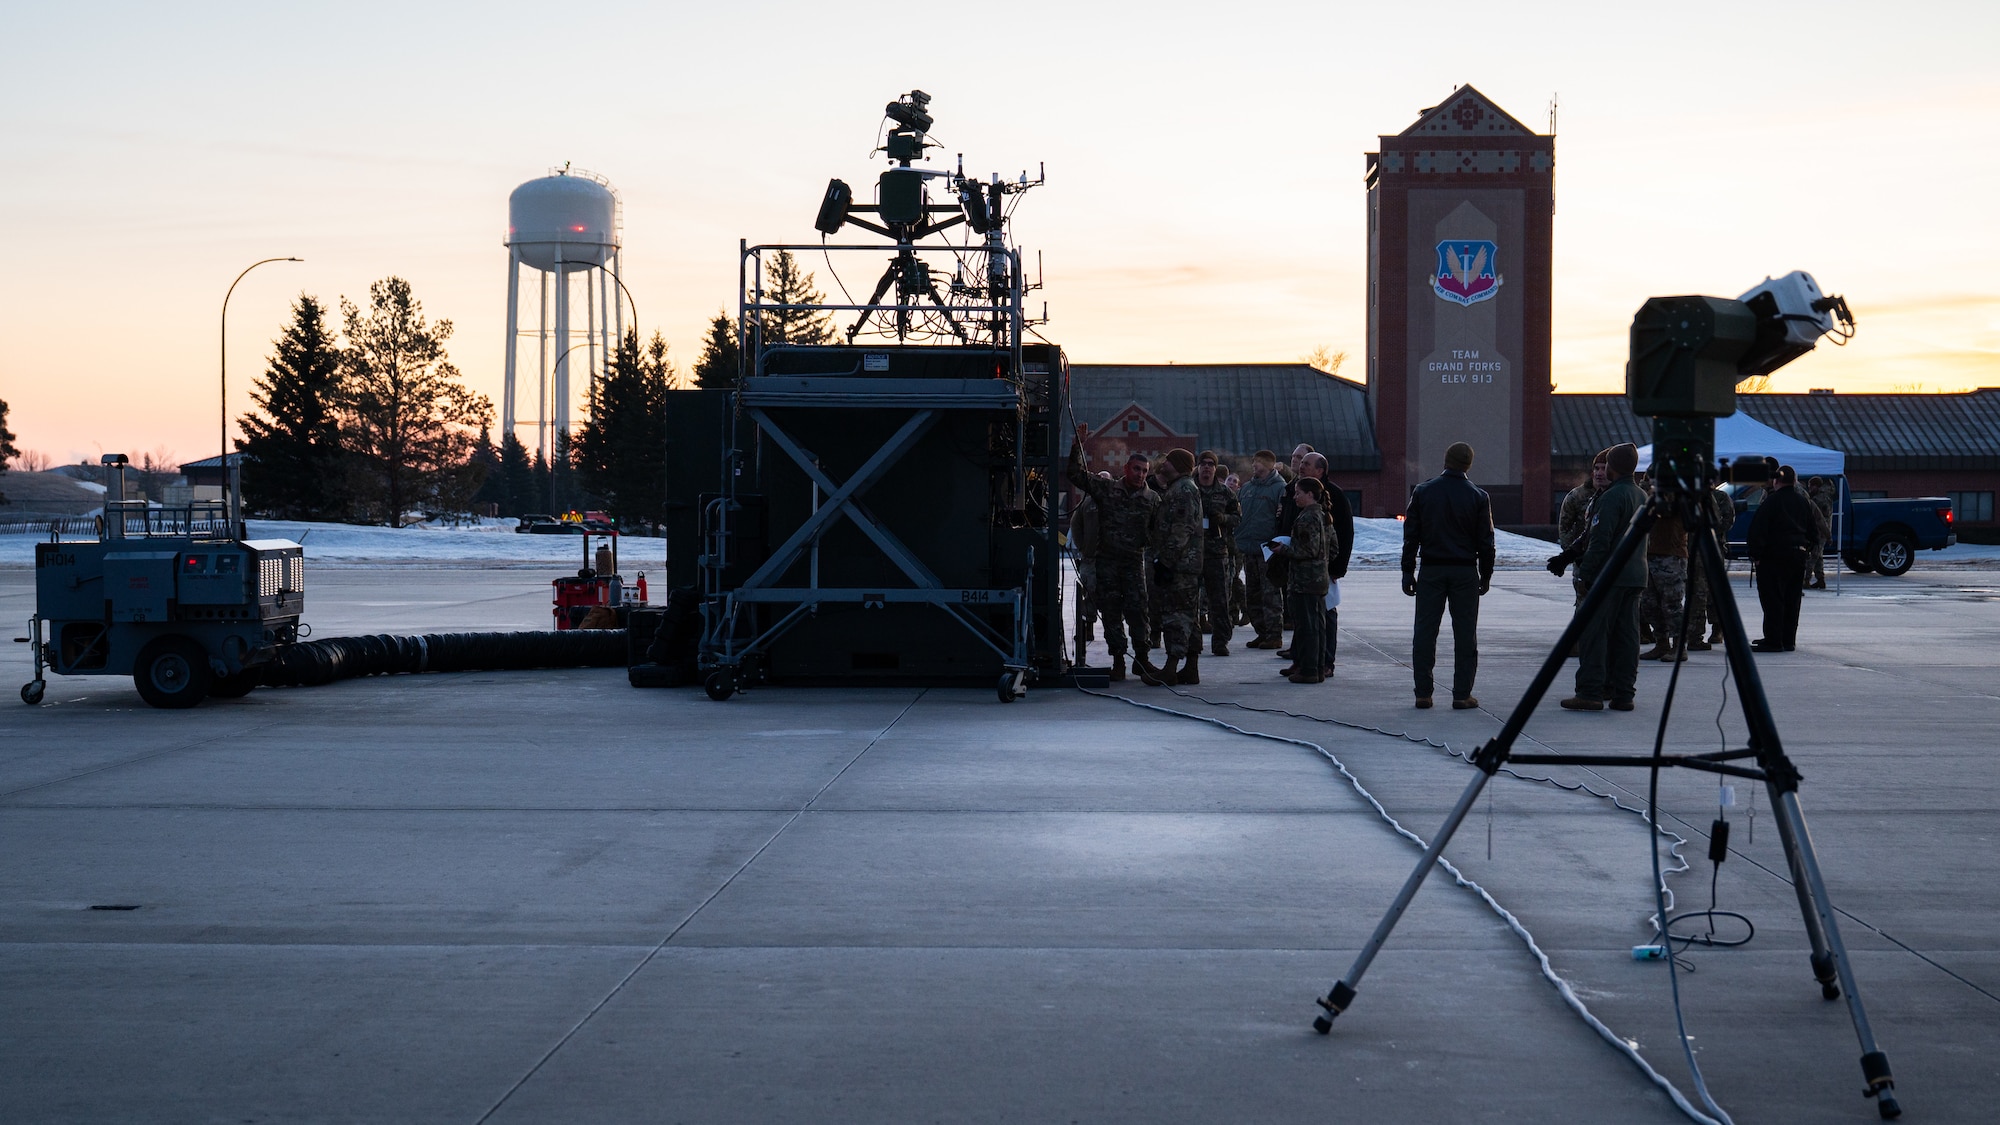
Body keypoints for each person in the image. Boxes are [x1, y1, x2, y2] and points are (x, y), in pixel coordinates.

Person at [1402, 442, 1495, 709]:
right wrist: (1485, 576)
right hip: (1465, 570)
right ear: (1469, 464)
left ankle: (1423, 692)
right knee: (1465, 634)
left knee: (1425, 632)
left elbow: (1411, 537)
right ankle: (1462, 693)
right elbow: (1486, 542)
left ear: (1446, 460)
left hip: (1431, 568)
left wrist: (1408, 571)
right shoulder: (1478, 496)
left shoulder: (1423, 491)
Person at [1066, 427, 1158, 681]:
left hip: (1133, 563)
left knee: (1139, 611)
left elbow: (1159, 531)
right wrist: (1078, 446)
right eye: (1136, 469)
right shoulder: (1107, 490)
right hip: (1107, 563)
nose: (1140, 475)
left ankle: (1142, 659)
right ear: (1126, 469)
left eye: (1144, 471)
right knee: (1111, 612)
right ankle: (1118, 659)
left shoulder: (1152, 500)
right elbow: (1074, 474)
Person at [1564, 443, 1648, 712]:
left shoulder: (1612, 497)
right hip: (1635, 575)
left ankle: (1590, 691)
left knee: (1594, 636)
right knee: (1627, 637)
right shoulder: (1641, 495)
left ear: (1613, 466)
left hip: (1609, 576)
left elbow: (1600, 541)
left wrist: (1585, 575)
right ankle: (1623, 693)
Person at [1144, 447, 1205, 685]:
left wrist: (1165, 561)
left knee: (1176, 617)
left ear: (1178, 465)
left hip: (1180, 566)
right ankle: (1190, 668)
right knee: (1189, 616)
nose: (1163, 464)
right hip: (1183, 564)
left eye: (1168, 461)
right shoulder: (1179, 488)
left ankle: (1170, 668)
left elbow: (1182, 528)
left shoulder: (1184, 490)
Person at [1747, 464, 1817, 652]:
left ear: (1776, 481)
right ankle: (1788, 639)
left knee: (1773, 598)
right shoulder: (1803, 502)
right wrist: (1807, 549)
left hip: (1774, 556)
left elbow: (1758, 529)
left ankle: (1773, 639)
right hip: (1798, 555)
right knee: (1792, 599)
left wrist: (1756, 554)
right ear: (1795, 481)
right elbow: (1814, 531)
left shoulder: (1771, 502)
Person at [1276, 477, 1333, 683]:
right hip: (1317, 579)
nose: (1295, 496)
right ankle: (1315, 668)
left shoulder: (1308, 518)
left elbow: (1308, 549)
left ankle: (1309, 670)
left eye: (1298, 493)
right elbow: (1332, 547)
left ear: (1310, 495)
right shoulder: (1324, 516)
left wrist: (1283, 549)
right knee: (1317, 626)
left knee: (1307, 626)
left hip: (1305, 580)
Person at [1235, 450, 1287, 649]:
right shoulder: (1247, 488)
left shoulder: (1279, 488)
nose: (1254, 465)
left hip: (1268, 550)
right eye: (1253, 462)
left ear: (1270, 464)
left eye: (1258, 462)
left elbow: (1281, 519)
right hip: (1248, 548)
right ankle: (1261, 632)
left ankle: (1274, 635)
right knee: (1253, 594)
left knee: (1270, 594)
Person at [1194, 450, 1240, 656]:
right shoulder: (1188, 489)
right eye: (1203, 463)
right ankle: (1191, 641)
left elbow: (1237, 518)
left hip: (1216, 553)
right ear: (1197, 466)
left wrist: (1222, 519)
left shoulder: (1225, 493)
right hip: (1191, 554)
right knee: (1188, 601)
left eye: (1211, 464)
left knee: (1220, 600)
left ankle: (1221, 641)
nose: (1206, 467)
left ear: (1215, 467)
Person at [1681, 479, 1735, 651]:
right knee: (1695, 591)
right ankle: (1695, 634)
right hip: (1690, 549)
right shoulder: (1684, 497)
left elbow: (1727, 519)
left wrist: (1710, 532)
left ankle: (1717, 627)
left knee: (1713, 591)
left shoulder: (1719, 497)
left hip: (1712, 548)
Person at [1640, 503, 1689, 661]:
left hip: (1671, 555)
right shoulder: (1650, 493)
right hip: (1649, 554)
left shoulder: (1680, 496)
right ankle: (1662, 643)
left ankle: (1679, 646)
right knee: (1649, 604)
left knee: (1671, 603)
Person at [1069, 475, 1107, 659]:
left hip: (1110, 560)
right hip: (1090, 559)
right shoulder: (1087, 503)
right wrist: (1083, 546)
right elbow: (1075, 525)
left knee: (1111, 598)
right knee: (1088, 594)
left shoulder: (1114, 501)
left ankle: (1112, 634)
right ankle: (1088, 629)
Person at [1806, 476, 1834, 590]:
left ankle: (1806, 579)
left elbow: (1819, 519)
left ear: (1816, 486)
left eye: (1811, 486)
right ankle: (1820, 579)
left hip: (1819, 532)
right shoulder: (1825, 497)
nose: (1809, 489)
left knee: (1812, 556)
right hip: (1823, 531)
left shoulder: (1818, 500)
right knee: (1818, 556)